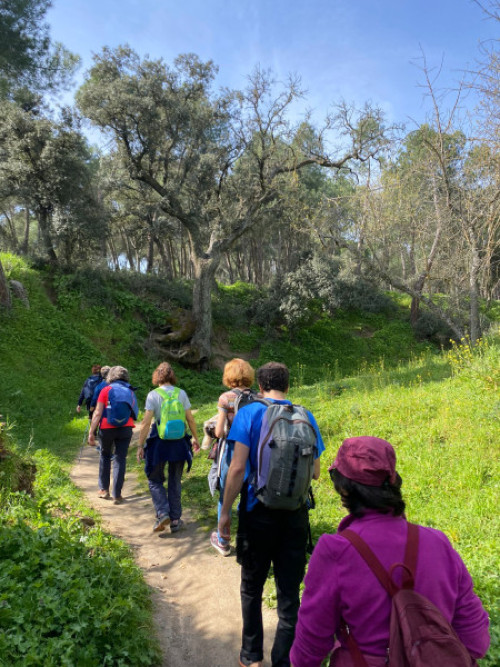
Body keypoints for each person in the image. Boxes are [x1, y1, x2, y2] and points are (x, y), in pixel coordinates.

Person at [289, 436, 490, 667]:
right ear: (393, 483)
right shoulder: (438, 542)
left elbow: (309, 648)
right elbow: (477, 642)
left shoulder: (334, 551)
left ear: (343, 488)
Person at [218, 362, 325, 667]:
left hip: (257, 513)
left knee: (252, 586)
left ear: (260, 386)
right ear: (287, 387)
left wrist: (225, 513)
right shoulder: (307, 416)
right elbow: (315, 473)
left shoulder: (250, 413)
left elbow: (237, 468)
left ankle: (251, 656)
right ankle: (283, 660)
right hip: (295, 516)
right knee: (289, 593)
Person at [137, 362, 200, 533]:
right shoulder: (182, 394)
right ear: (172, 376)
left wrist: (140, 445)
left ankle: (162, 512)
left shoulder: (153, 395)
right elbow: (190, 419)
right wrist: (195, 438)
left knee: (154, 479)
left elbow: (146, 422)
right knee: (175, 480)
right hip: (179, 443)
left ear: (157, 376)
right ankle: (175, 520)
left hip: (159, 444)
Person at [210, 358, 256, 556]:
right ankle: (247, 539)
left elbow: (219, 432)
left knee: (226, 493)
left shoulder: (226, 398)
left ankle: (223, 540)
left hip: (231, 450)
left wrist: (211, 431)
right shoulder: (258, 397)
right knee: (249, 493)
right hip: (253, 451)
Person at [88, 365, 137, 505]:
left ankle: (103, 490)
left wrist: (92, 432)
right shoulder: (130, 390)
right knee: (120, 458)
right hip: (126, 428)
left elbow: (97, 412)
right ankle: (117, 494)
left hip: (107, 428)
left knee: (105, 455)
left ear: (111, 376)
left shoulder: (105, 390)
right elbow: (134, 411)